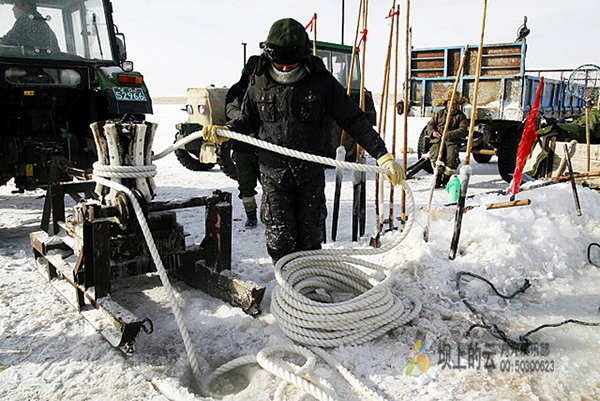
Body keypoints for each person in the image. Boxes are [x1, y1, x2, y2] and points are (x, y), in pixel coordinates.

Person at [203, 18, 403, 263]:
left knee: (310, 239)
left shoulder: (320, 81)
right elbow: (249, 120)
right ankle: (287, 290)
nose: (285, 70)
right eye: (280, 64)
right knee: (280, 239)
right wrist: (227, 131)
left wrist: (382, 155)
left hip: (309, 174)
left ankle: (308, 286)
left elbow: (353, 119)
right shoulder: (260, 79)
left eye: (291, 64)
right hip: (274, 174)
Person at [225, 55, 261, 227]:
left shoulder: (267, 89)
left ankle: (270, 215)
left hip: (265, 146)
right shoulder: (236, 91)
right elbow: (231, 110)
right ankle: (251, 215)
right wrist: (245, 119)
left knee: (272, 185)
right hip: (243, 147)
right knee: (246, 185)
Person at [426, 89, 469, 188]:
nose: (452, 106)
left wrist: (449, 135)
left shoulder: (461, 116)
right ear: (446, 104)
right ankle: (438, 177)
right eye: (450, 103)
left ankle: (446, 178)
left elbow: (463, 130)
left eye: (454, 104)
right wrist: (433, 133)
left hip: (452, 141)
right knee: (436, 155)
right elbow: (430, 125)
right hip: (438, 140)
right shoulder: (439, 114)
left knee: (451, 158)